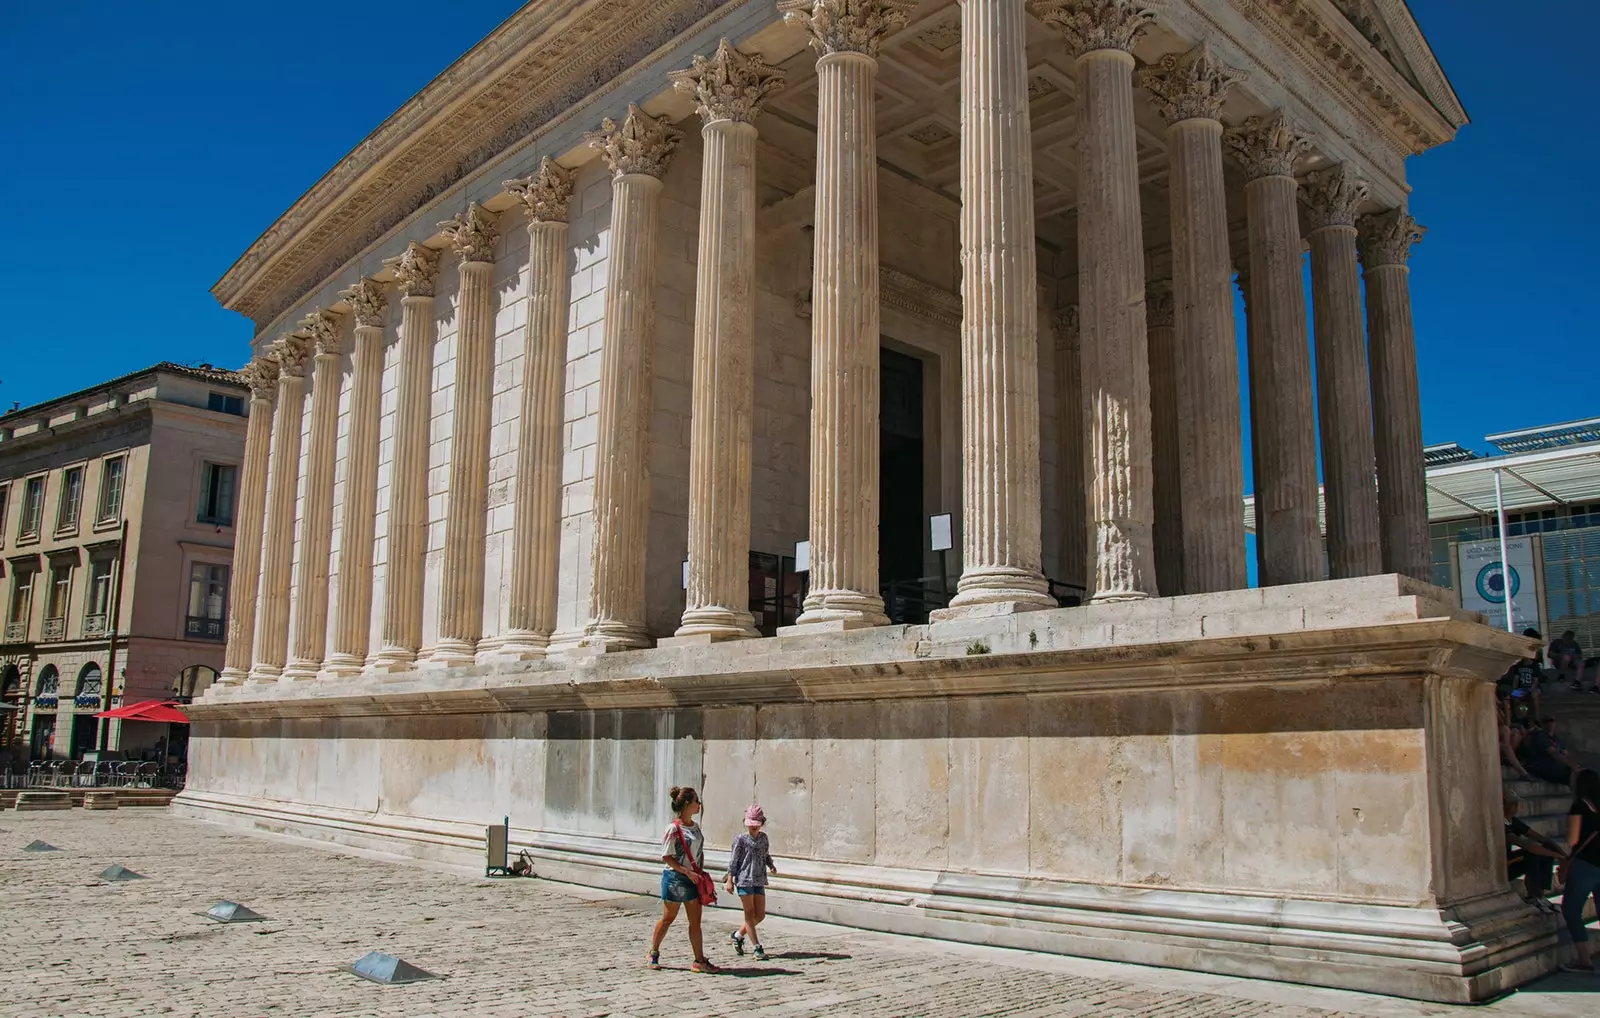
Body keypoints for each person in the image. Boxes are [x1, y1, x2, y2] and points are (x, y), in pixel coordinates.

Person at [650, 786, 718, 973]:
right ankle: (654, 952)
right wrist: (686, 872)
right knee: (668, 918)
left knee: (695, 921)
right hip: (675, 878)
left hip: (693, 878)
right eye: (696, 800)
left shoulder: (695, 827)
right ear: (687, 804)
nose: (699, 804)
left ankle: (699, 960)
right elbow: (667, 856)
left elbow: (699, 852)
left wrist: (700, 873)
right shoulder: (673, 828)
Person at [724, 804, 779, 961]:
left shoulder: (763, 838)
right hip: (744, 879)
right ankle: (757, 947)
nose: (754, 829)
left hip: (759, 879)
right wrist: (730, 880)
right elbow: (733, 861)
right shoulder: (740, 840)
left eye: (756, 825)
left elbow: (766, 854)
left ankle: (738, 935)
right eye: (751, 826)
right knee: (749, 914)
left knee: (760, 914)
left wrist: (771, 865)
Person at [1559, 769, 1600, 972]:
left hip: (1585, 865)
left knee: (1571, 910)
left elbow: (1572, 839)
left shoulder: (1579, 806)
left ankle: (1585, 960)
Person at [1504, 794, 1563, 911]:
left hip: (1512, 860)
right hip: (1503, 865)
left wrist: (1560, 852)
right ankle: (1534, 895)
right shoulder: (1501, 825)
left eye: (1517, 803)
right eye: (1512, 804)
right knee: (1532, 855)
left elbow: (1539, 837)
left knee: (1546, 849)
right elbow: (1527, 845)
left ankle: (1541, 894)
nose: (1516, 806)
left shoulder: (1513, 822)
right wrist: (1557, 855)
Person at [1522, 717, 1575, 786]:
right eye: (1547, 721)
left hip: (1555, 767)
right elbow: (1554, 753)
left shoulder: (1556, 738)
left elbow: (1565, 753)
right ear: (1543, 724)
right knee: (1573, 775)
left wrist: (1575, 765)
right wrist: (1572, 766)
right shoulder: (1540, 736)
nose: (1550, 724)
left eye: (1552, 721)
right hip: (1543, 768)